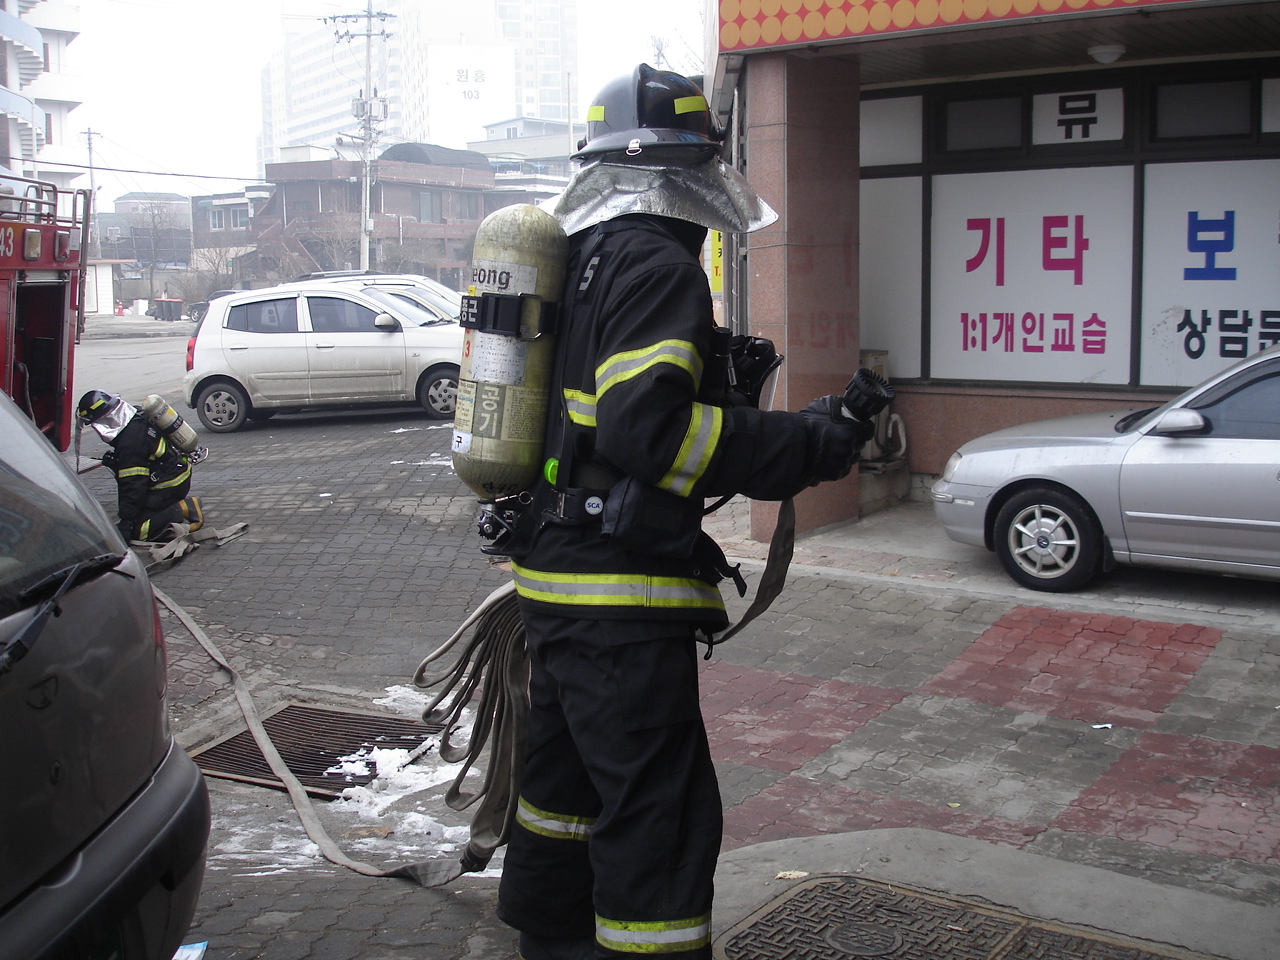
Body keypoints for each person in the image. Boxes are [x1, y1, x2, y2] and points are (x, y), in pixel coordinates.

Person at [496, 65, 874, 960]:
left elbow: (597, 422)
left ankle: (550, 944)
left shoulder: (579, 261)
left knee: (562, 790)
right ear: (692, 174)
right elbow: (650, 433)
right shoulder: (657, 265)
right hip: (621, 600)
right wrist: (806, 443)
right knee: (657, 815)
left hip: (556, 579)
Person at [77, 390, 203, 542]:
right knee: (141, 511)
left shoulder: (129, 442)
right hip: (177, 472)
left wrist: (127, 522)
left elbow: (133, 485)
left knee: (140, 531)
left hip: (170, 484)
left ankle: (184, 508)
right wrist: (118, 465)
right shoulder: (135, 415)